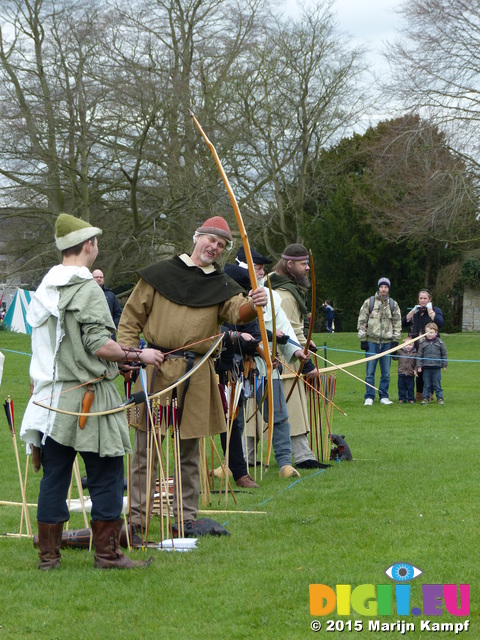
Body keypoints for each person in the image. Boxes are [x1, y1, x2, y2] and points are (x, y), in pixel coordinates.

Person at [20, 213, 164, 570]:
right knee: (108, 473)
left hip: (51, 400)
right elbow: (99, 344)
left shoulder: (45, 289)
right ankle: (107, 555)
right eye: (95, 243)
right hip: (87, 398)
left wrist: (119, 362)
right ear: (89, 246)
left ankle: (48, 559)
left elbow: (65, 348)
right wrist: (138, 354)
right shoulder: (87, 288)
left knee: (55, 477)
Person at [116, 217, 268, 539]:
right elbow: (130, 318)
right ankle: (137, 521)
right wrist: (128, 357)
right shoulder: (159, 274)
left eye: (222, 245)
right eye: (210, 240)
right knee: (146, 450)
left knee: (189, 452)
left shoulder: (221, 284)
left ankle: (184, 519)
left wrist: (254, 305)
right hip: (156, 369)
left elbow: (236, 312)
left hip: (196, 373)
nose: (214, 247)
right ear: (196, 237)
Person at [225, 247, 310, 478]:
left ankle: (284, 463)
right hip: (233, 365)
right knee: (234, 417)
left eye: (262, 268)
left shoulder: (269, 295)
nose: (261, 272)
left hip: (264, 363)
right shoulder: (225, 291)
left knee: (278, 414)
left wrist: (295, 350)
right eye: (257, 267)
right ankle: (232, 465)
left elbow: (283, 327)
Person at [269, 244, 326, 470]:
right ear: (289, 264)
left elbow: (295, 330)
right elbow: (290, 330)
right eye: (303, 264)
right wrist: (307, 363)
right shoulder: (285, 294)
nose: (307, 268)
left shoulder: (281, 286)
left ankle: (248, 457)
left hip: (283, 356)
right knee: (291, 408)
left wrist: (305, 341)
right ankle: (303, 456)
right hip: (284, 360)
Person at [357, 276, 402, 406]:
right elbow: (362, 320)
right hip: (371, 342)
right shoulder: (369, 302)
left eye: (386, 287)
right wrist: (363, 339)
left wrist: (395, 340)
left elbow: (397, 322)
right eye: (381, 287)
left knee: (386, 373)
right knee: (370, 372)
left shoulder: (393, 304)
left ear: (388, 289)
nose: (383, 289)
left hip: (387, 343)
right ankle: (369, 396)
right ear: (378, 288)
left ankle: (384, 396)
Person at [402, 288, 444, 402]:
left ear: (429, 299)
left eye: (425, 298)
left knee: (428, 371)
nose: (423, 300)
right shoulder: (415, 312)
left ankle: (429, 394)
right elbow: (403, 323)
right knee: (418, 371)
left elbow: (440, 323)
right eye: (421, 298)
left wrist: (431, 312)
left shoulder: (435, 310)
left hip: (430, 346)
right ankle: (419, 395)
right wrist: (411, 313)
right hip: (415, 346)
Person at [416, 322, 447, 405]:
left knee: (437, 384)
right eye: (427, 332)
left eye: (431, 332)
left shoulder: (440, 343)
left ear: (436, 333)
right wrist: (419, 366)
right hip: (426, 367)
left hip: (436, 367)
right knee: (426, 384)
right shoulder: (422, 343)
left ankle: (440, 398)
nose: (429, 334)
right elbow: (419, 355)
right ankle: (425, 398)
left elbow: (444, 354)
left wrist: (444, 365)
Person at [92, 269, 122, 335]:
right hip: (92, 333)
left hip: (109, 333)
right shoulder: (86, 294)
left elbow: (118, 313)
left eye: (101, 277)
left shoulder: (110, 295)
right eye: (96, 277)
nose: (99, 279)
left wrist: (113, 327)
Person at [393, 337, 417, 403]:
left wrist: (415, 370)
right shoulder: (400, 352)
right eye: (406, 345)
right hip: (401, 373)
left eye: (410, 345)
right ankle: (402, 399)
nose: (408, 346)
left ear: (413, 345)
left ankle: (411, 399)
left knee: (410, 387)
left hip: (410, 373)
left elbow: (416, 363)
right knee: (401, 387)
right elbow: (395, 358)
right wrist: (394, 350)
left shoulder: (415, 353)